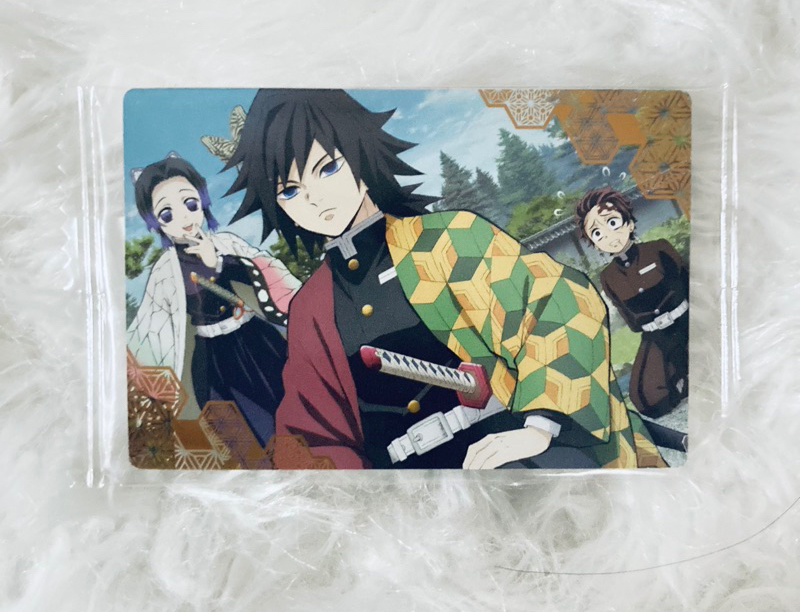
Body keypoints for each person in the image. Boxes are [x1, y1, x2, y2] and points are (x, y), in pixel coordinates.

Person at [225, 89, 665, 469]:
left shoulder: (447, 239)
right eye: (290, 191)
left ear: (358, 152)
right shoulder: (311, 307)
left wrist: (539, 426)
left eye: (327, 169)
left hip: (510, 452)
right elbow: (311, 430)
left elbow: (558, 303)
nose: (314, 199)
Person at [127, 153, 300, 446]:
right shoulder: (164, 272)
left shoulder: (226, 243)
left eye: (190, 204)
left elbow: (268, 273)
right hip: (212, 359)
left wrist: (220, 262)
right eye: (167, 214)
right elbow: (150, 331)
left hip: (257, 340)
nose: (183, 218)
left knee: (291, 409)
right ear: (154, 221)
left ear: (202, 200)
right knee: (244, 434)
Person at [576, 186, 689, 419]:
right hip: (655, 335)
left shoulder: (658, 248)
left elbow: (686, 283)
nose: (608, 236)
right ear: (594, 243)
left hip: (686, 323)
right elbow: (630, 319)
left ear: (628, 223)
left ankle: (684, 369)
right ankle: (680, 377)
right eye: (597, 233)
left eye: (612, 223)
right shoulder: (608, 277)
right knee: (646, 399)